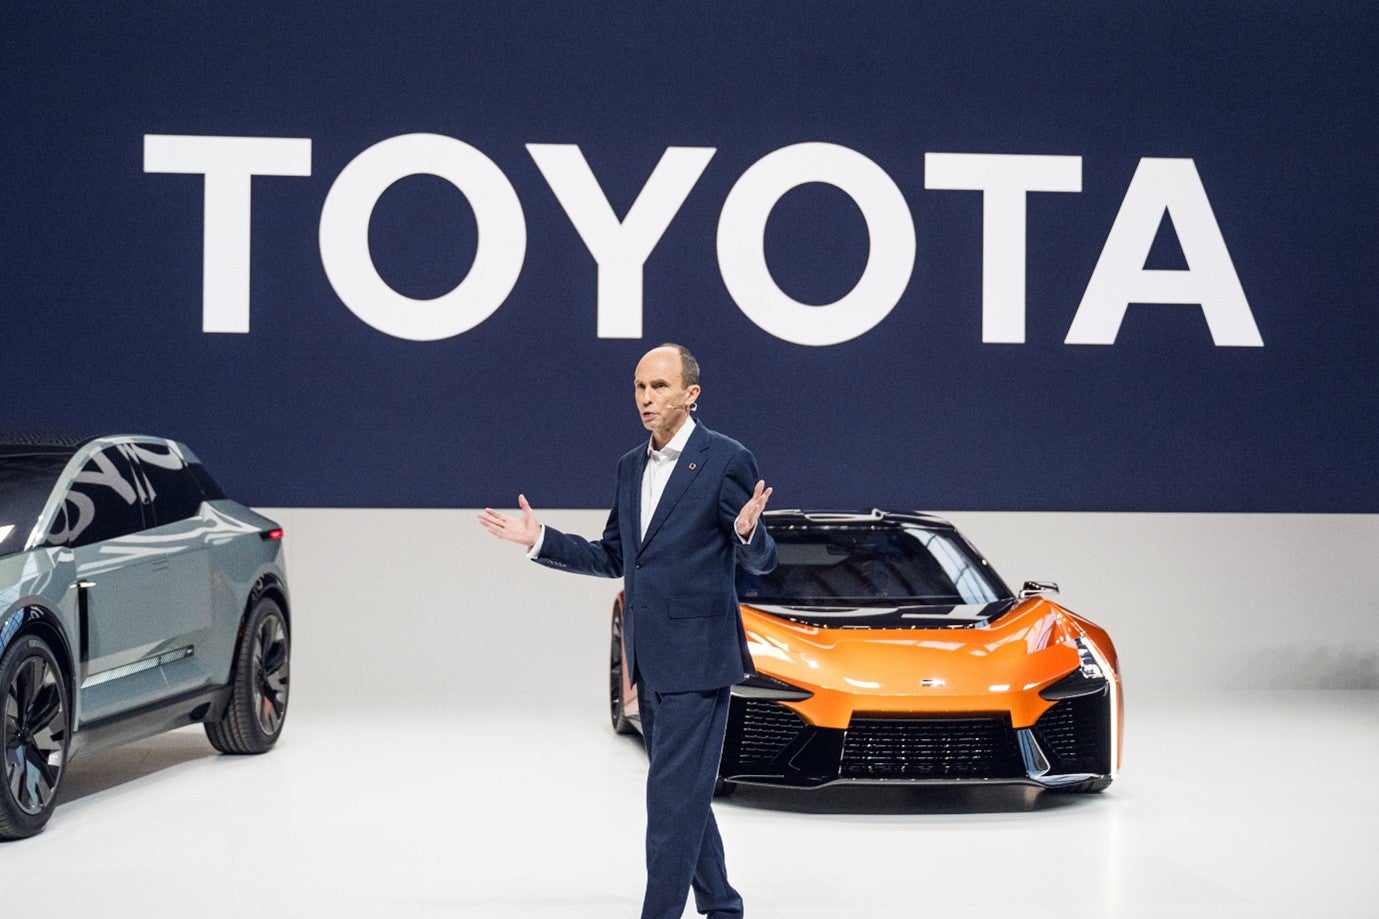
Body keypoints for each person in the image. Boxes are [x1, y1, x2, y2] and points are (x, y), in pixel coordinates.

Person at [478, 343, 776, 919]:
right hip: (649, 660)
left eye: (659, 386)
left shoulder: (725, 459)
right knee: (683, 797)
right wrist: (540, 540)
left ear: (691, 394)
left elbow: (764, 560)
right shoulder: (629, 466)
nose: (646, 398)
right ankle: (723, 906)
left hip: (699, 662)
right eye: (640, 387)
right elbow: (614, 555)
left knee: (669, 805)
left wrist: (747, 533)